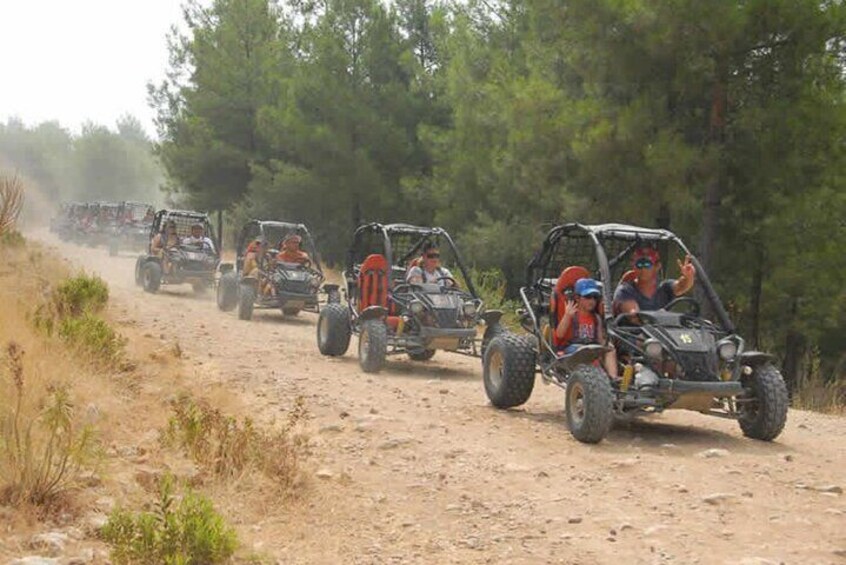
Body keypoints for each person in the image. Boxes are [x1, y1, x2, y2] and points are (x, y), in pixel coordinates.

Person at [555, 278, 617, 377]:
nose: (592, 301)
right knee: (587, 353)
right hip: (574, 349)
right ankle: (596, 376)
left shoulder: (596, 318)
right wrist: (567, 316)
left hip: (592, 348)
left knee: (610, 350)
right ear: (577, 298)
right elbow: (559, 334)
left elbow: (600, 339)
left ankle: (613, 378)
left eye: (595, 297)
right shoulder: (572, 314)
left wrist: (607, 346)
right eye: (588, 297)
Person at [614, 245, 696, 315]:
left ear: (657, 266)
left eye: (646, 264)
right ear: (633, 266)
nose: (643, 269)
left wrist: (688, 276)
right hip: (633, 332)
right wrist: (660, 317)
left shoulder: (665, 287)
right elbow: (634, 316)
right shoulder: (625, 290)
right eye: (639, 264)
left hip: (662, 332)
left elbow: (681, 287)